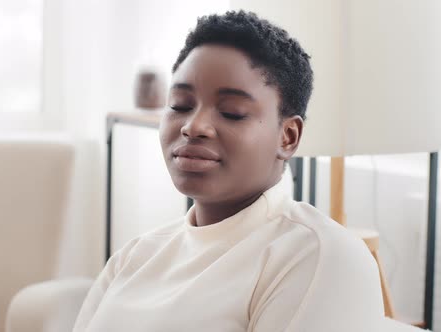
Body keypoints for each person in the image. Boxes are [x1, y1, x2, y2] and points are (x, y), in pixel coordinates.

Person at [73, 10, 385, 331]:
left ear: (288, 137)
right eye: (180, 105)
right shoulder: (135, 257)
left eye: (231, 112)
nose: (194, 127)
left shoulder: (319, 257)